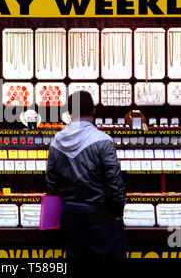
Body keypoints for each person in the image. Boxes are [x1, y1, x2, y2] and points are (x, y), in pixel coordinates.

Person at [46, 90, 126, 258]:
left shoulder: (56, 142)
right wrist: (118, 212)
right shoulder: (103, 140)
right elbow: (114, 182)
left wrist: (55, 217)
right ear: (93, 111)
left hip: (70, 217)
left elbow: (52, 184)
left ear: (69, 113)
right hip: (101, 216)